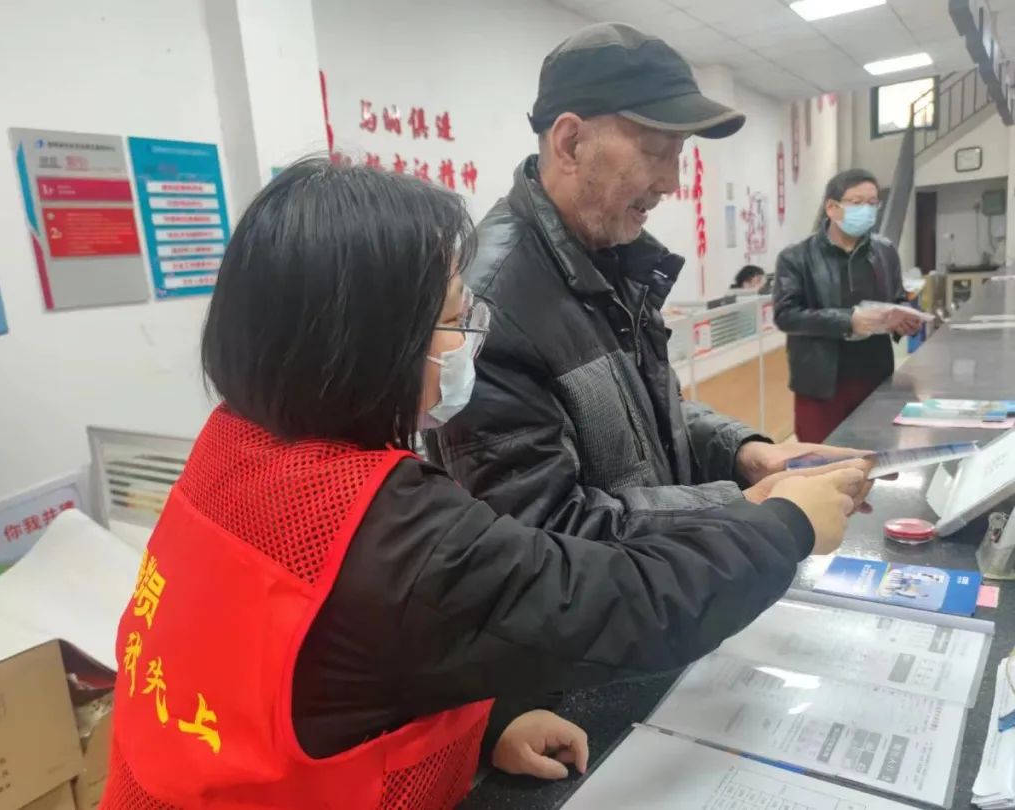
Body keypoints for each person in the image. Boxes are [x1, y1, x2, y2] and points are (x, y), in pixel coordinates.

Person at [102, 157, 865, 809]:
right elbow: (613, 601)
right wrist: (784, 525)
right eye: (453, 321)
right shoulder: (389, 530)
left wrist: (485, 723)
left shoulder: (235, 448)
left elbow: (323, 668)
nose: (470, 343)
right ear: (365, 344)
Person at [430, 22, 867, 541]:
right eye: (657, 151)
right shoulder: (489, 306)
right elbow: (544, 535)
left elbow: (648, 417)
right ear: (571, 143)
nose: (672, 182)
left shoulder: (612, 255)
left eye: (679, 154)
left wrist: (745, 453)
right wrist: (747, 507)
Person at [773, 169, 920, 443]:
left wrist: (903, 320)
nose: (866, 210)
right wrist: (848, 321)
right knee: (822, 460)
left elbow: (897, 298)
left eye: (872, 203)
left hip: (875, 378)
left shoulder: (885, 251)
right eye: (857, 202)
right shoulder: (797, 257)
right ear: (832, 207)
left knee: (877, 457)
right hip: (820, 385)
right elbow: (786, 315)